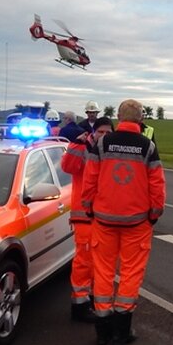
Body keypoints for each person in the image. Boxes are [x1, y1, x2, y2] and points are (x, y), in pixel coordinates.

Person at [81, 99, 166, 345]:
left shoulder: (102, 142)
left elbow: (90, 178)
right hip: (137, 222)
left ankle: (103, 330)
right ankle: (121, 331)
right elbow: (157, 183)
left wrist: (88, 206)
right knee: (130, 273)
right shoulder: (147, 146)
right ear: (140, 119)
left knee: (103, 272)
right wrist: (155, 212)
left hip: (104, 219)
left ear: (118, 117)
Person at [61, 116, 114, 323]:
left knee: (98, 262)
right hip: (83, 215)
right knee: (84, 261)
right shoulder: (82, 146)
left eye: (108, 132)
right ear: (93, 132)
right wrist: (78, 144)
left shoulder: (110, 151)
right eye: (101, 132)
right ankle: (80, 304)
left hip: (102, 216)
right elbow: (67, 166)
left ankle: (91, 298)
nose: (104, 135)